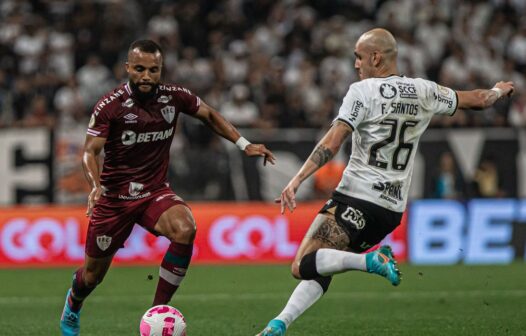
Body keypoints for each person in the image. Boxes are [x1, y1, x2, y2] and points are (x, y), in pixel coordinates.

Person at [257, 28, 514, 336]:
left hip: (356, 197)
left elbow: (334, 141)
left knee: (302, 264)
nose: (355, 65)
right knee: (325, 262)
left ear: (375, 58)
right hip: (390, 213)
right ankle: (278, 325)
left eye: (358, 57)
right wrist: (498, 90)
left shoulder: (361, 91)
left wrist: (297, 179)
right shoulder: (424, 91)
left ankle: (371, 261)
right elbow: (478, 100)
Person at [59, 39, 275, 336]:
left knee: (185, 229)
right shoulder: (110, 106)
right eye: (139, 69)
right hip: (114, 200)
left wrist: (244, 144)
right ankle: (73, 303)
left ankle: (157, 311)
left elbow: (210, 115)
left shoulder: (174, 97)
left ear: (161, 69)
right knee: (92, 277)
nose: (146, 76)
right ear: (127, 69)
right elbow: (89, 151)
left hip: (154, 191)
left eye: (153, 70)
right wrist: (95, 186)